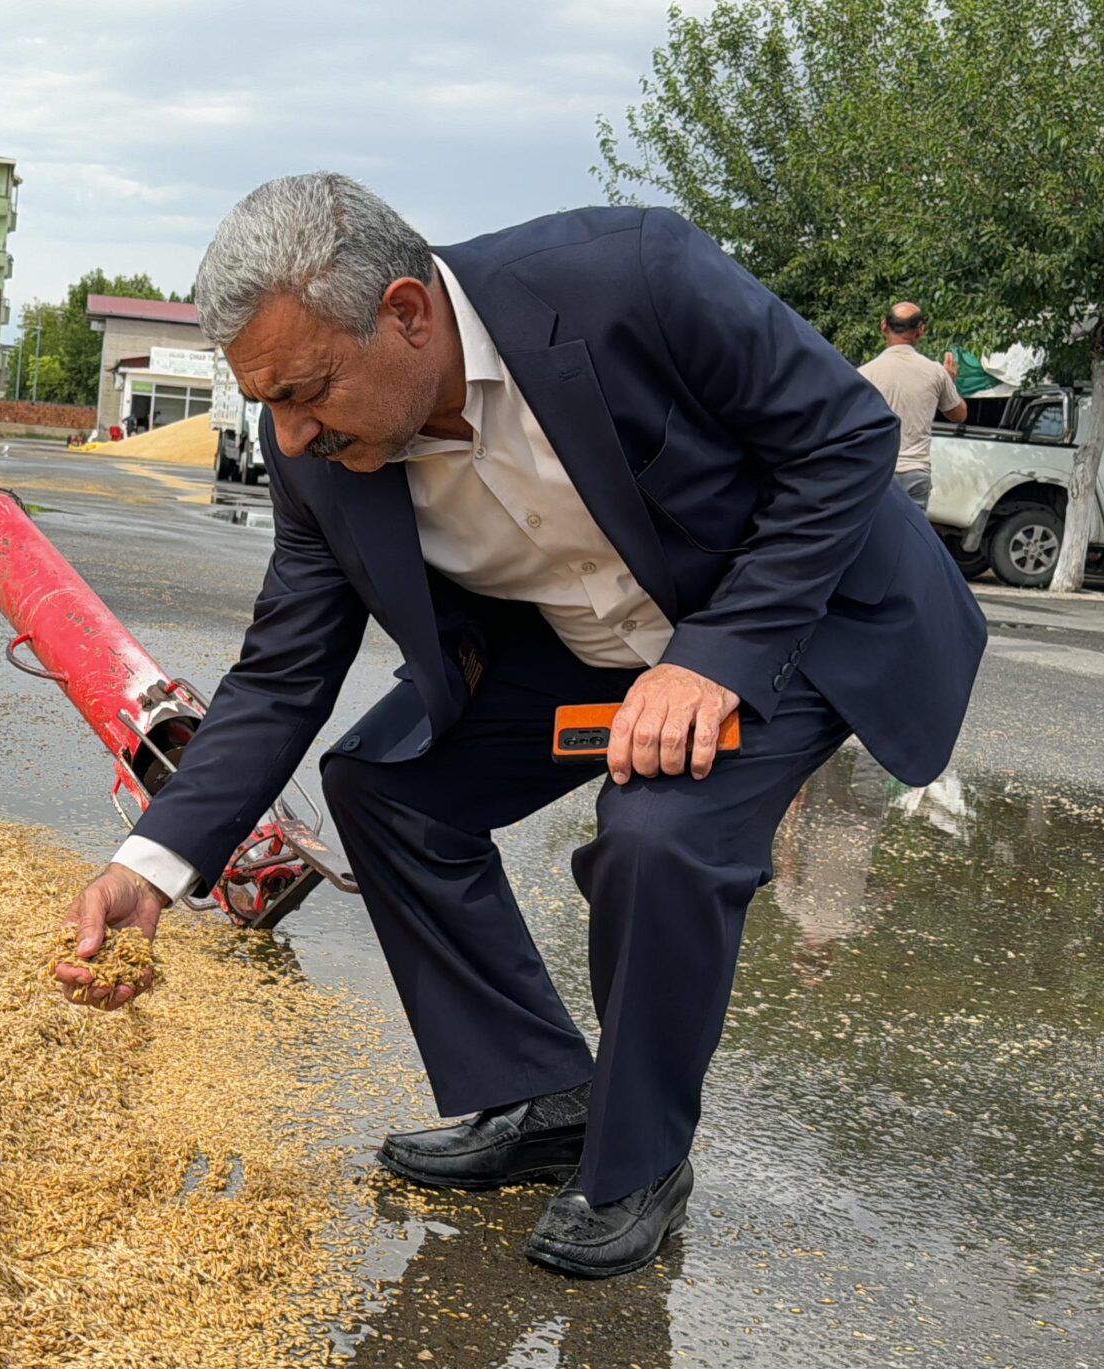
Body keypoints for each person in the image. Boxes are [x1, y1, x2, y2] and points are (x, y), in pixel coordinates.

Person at [57, 174, 985, 1278]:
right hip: (588, 647)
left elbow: (841, 440)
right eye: (272, 402)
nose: (292, 437)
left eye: (308, 391)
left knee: (656, 835)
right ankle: (543, 1095)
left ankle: (636, 1162)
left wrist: (713, 661)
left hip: (795, 618)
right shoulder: (316, 459)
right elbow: (281, 675)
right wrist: (149, 871)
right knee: (384, 783)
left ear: (406, 313)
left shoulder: (629, 276)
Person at [857, 303, 967, 509]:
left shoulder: (863, 374)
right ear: (921, 330)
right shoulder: (936, 372)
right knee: (911, 538)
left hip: (876, 470)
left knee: (875, 536)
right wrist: (950, 382)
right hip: (915, 473)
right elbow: (959, 415)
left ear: (883, 326)